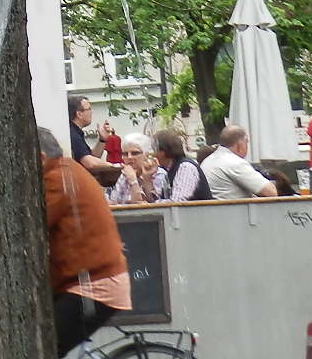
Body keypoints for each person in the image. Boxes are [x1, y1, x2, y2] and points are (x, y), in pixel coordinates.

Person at [37, 128, 132, 357]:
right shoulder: (68, 170)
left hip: (92, 286)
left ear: (40, 158)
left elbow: (36, 225)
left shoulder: (57, 179)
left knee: (44, 349)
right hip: (90, 280)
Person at [201, 126, 279, 200]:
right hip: (235, 211)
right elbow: (271, 192)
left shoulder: (207, 161)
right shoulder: (234, 162)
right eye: (247, 142)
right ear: (240, 145)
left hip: (213, 210)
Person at [150, 130, 205, 202]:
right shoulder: (169, 170)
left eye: (153, 150)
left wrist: (151, 204)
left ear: (162, 152)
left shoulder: (185, 167)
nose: (151, 154)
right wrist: (147, 180)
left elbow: (177, 203)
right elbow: (161, 199)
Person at [106, 135, 157, 206]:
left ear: (146, 155)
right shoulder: (124, 175)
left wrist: (133, 181)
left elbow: (152, 206)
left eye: (135, 153)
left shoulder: (157, 173)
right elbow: (113, 203)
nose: (129, 157)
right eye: (125, 154)